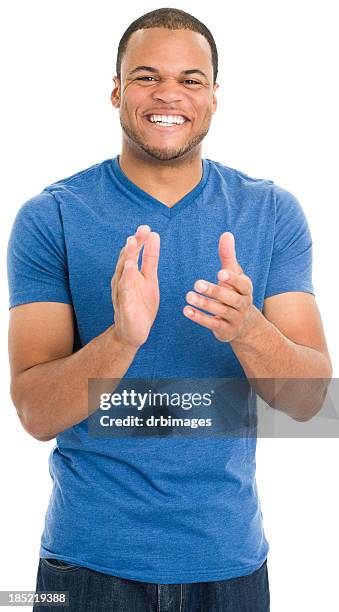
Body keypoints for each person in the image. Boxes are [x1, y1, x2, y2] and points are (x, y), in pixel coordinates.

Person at [6, 7, 332, 612]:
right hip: (83, 570)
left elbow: (311, 401)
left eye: (190, 79)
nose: (168, 95)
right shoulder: (50, 216)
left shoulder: (271, 213)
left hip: (230, 567)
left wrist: (247, 329)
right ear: (116, 90)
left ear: (213, 97)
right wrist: (121, 340)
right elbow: (34, 412)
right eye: (146, 76)